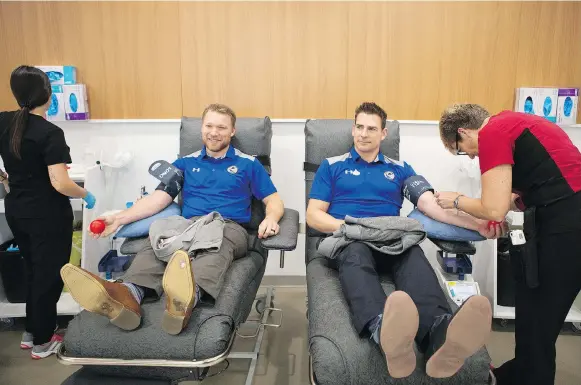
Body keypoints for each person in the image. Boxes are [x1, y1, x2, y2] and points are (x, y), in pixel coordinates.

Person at [306, 102, 503, 379]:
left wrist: (478, 225)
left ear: (383, 134)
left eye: (371, 128)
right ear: (353, 129)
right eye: (359, 127)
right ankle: (383, 331)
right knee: (356, 257)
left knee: (414, 258)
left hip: (393, 237)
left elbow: (432, 207)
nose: (364, 134)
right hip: (353, 237)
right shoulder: (332, 166)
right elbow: (314, 215)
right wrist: (356, 227)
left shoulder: (400, 169)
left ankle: (440, 336)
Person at [61, 103, 284, 336]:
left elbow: (274, 199)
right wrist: (119, 218)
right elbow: (158, 199)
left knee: (214, 246)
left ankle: (187, 296)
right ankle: (128, 296)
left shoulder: (248, 164)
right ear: (201, 128)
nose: (214, 132)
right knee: (157, 242)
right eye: (209, 125)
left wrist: (271, 218)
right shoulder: (184, 164)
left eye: (221, 127)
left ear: (232, 132)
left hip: (228, 225)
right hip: (187, 225)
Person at [435, 104, 581, 385]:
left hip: (567, 225)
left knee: (538, 319)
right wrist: (501, 208)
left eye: (462, 149)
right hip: (562, 217)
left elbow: (493, 209)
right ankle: (516, 373)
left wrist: (455, 200)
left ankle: (529, 377)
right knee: (532, 308)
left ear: (463, 132)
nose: (472, 155)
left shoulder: (493, 133)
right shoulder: (516, 122)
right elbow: (543, 180)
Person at [0, 65, 96, 359]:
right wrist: (85, 194)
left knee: (32, 270)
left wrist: (5, 179)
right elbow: (60, 182)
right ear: (48, 95)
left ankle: (33, 331)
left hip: (16, 209)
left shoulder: (5, 121)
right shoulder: (49, 132)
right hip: (47, 216)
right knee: (49, 277)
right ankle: (43, 341)